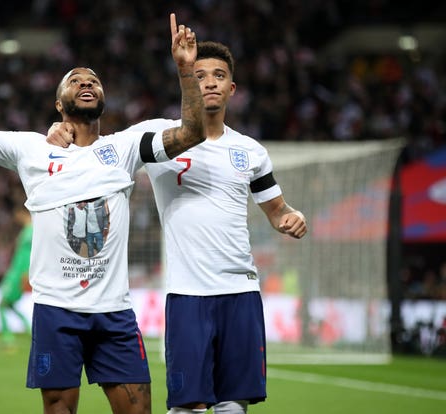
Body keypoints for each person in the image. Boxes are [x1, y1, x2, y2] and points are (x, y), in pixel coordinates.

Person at [0, 13, 205, 414]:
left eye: (94, 81)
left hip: (114, 312)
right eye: (76, 80)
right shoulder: (31, 148)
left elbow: (193, 132)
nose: (87, 83)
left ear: (104, 99)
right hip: (56, 310)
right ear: (57, 103)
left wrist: (186, 70)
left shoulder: (125, 147)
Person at [47, 41, 308, 413]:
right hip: (187, 294)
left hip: (241, 291)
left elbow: (278, 210)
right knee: (187, 405)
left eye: (219, 76)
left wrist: (291, 218)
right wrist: (61, 130)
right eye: (199, 75)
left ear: (232, 89)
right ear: (185, 80)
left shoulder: (251, 151)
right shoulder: (158, 134)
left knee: (234, 404)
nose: (210, 83)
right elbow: (100, 146)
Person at [0, 206, 32, 346]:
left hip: (18, 274)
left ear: (22, 212)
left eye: (17, 214)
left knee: (1, 305)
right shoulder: (27, 230)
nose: (16, 218)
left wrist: (26, 273)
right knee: (9, 305)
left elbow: (30, 255)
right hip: (15, 271)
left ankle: (7, 335)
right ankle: (27, 327)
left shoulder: (32, 230)